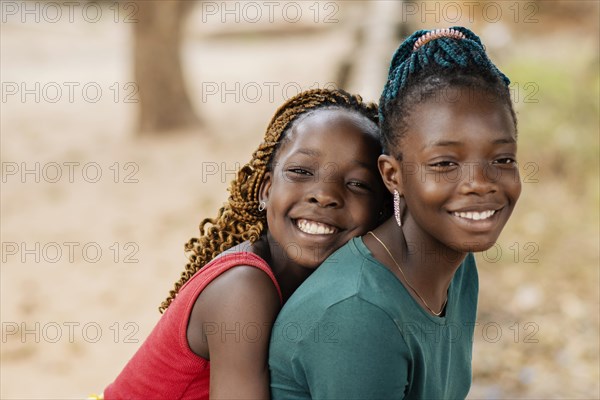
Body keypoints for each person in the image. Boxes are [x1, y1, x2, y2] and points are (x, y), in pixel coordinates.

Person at [269, 27, 522, 399]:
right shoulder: (358, 314)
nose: (480, 183)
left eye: (502, 159)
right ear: (393, 175)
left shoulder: (459, 268)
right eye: (445, 163)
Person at [101, 88, 388, 399]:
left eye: (358, 184)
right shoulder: (243, 288)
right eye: (301, 172)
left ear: (382, 209)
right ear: (265, 189)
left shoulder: (335, 284)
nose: (325, 195)